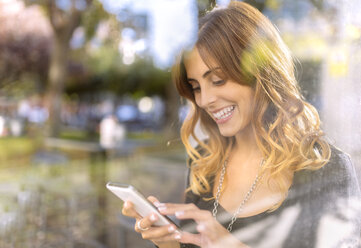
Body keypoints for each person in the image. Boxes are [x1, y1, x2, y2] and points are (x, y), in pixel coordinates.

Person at [122, 1, 361, 247]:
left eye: (218, 80)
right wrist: (169, 241)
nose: (205, 100)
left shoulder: (328, 170)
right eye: (196, 87)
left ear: (262, 74)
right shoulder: (204, 160)